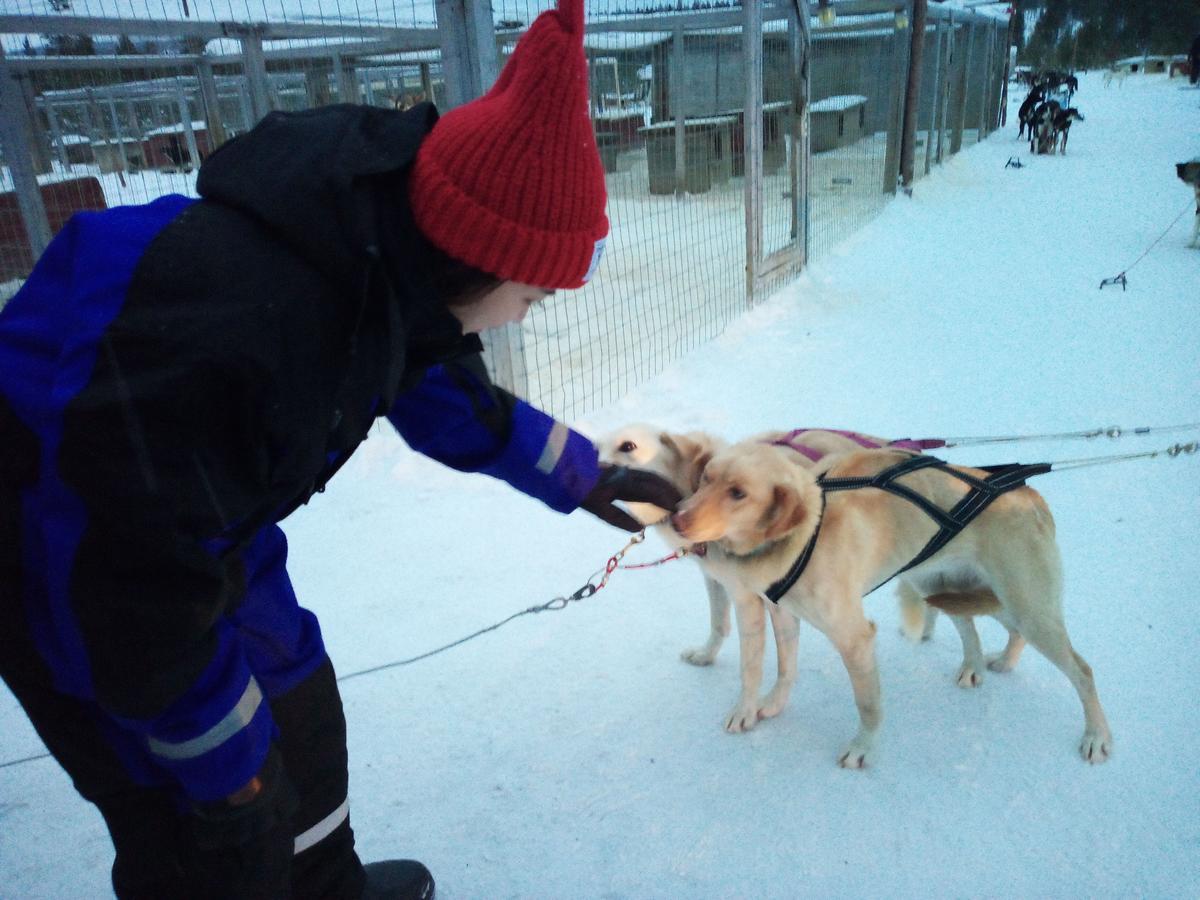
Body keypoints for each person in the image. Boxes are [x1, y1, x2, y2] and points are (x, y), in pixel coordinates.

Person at [0, 0, 681, 897]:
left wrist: (581, 471)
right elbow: (135, 593)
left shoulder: (376, 250)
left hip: (197, 521)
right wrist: (229, 774)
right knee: (203, 804)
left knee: (298, 705)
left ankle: (326, 884)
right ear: (477, 262)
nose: (526, 316)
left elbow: (428, 374)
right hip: (60, 549)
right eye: (535, 297)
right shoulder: (252, 339)